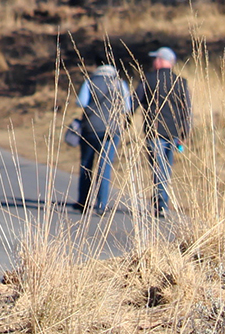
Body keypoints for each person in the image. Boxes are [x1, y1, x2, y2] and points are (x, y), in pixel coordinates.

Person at [135, 47, 192, 218]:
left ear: (160, 60)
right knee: (166, 167)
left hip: (154, 131)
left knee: (158, 167)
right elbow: (187, 110)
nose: (153, 62)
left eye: (155, 59)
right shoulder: (181, 82)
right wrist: (184, 134)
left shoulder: (149, 79)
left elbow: (136, 100)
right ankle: (162, 202)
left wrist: (125, 120)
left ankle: (160, 203)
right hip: (173, 132)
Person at [75, 64, 133, 213]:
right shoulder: (119, 83)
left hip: (90, 128)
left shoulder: (90, 81)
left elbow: (80, 102)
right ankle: (102, 204)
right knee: (105, 166)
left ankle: (83, 201)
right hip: (111, 130)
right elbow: (127, 106)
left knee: (86, 165)